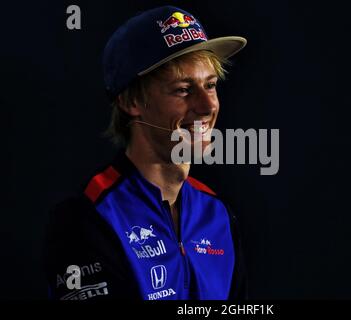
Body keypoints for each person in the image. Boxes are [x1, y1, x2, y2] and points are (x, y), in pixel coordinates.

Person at [44, 5, 247, 300]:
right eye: (183, 89)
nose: (207, 107)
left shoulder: (218, 215)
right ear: (131, 101)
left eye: (211, 85)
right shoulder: (85, 216)